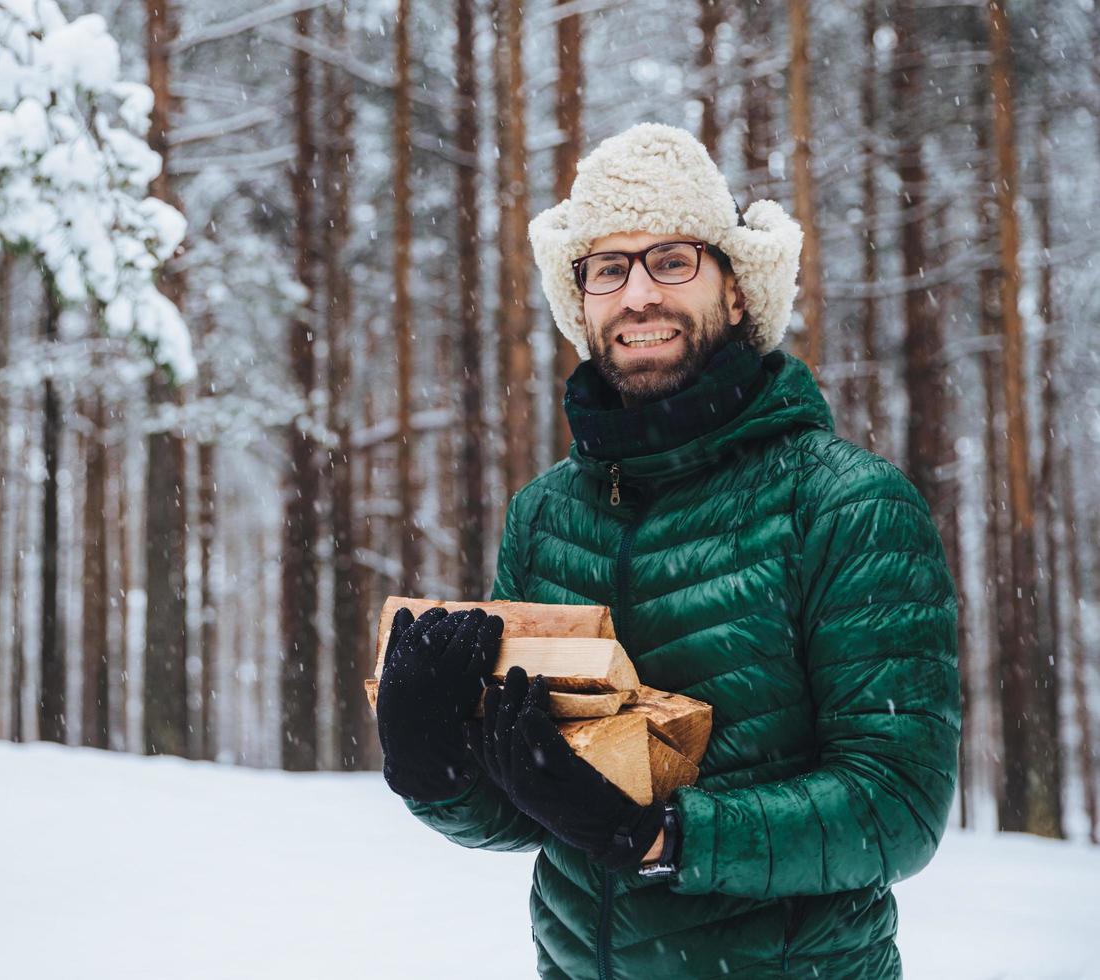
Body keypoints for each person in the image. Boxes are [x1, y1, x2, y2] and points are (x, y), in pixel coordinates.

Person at [373, 123, 960, 979]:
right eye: (608, 268)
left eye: (672, 259)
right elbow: (542, 807)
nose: (638, 293)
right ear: (581, 303)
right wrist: (438, 768)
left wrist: (661, 835)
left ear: (735, 294)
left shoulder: (845, 504)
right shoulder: (544, 518)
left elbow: (896, 806)